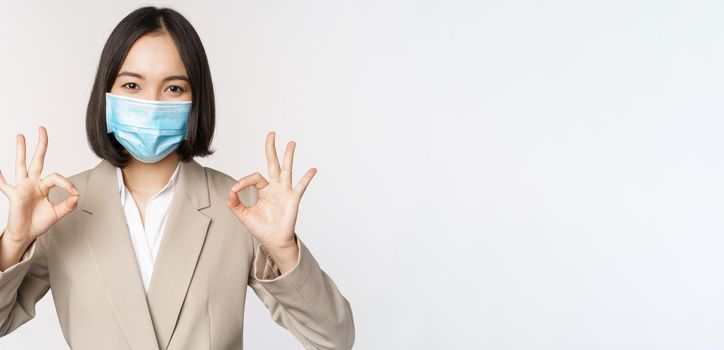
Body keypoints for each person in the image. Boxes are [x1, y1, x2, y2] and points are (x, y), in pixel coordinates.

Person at [0, 6, 354, 350]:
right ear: (106, 96)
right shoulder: (59, 208)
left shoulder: (240, 207)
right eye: (132, 85)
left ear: (195, 101)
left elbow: (333, 340)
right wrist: (13, 241)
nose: (152, 104)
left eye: (173, 89)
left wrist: (285, 251)